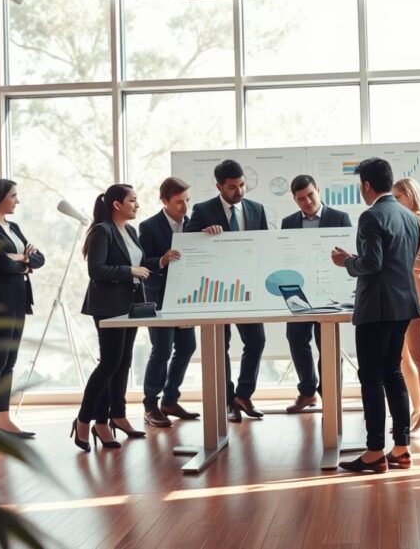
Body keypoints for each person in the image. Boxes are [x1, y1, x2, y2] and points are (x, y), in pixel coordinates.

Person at [332, 158, 420, 474]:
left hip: (376, 308)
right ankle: (401, 448)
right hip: (404, 306)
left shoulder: (370, 217)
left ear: (366, 185)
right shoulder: (410, 217)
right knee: (393, 372)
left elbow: (372, 263)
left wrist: (347, 262)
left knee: (370, 376)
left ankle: (373, 451)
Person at [72, 184, 159, 451]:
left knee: (123, 363)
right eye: (132, 201)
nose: (137, 205)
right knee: (109, 364)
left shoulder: (130, 230)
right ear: (117, 205)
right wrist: (130, 271)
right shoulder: (102, 230)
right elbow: (96, 270)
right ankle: (84, 420)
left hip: (129, 304)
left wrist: (161, 262)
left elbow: (140, 266)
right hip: (108, 305)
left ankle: (113, 417)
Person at [187, 159, 270, 423]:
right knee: (220, 345)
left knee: (257, 340)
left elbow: (264, 246)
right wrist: (203, 233)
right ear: (219, 186)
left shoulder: (257, 210)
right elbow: (188, 243)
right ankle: (227, 400)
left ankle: (243, 396)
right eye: (233, 187)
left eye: (242, 185)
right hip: (216, 289)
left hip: (248, 287)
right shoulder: (203, 210)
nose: (239, 191)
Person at [0, 179, 45, 438]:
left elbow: (40, 259)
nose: (17, 200)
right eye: (13, 196)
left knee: (10, 362)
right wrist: (24, 260)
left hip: (19, 297)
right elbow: (0, 264)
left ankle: (4, 418)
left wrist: (22, 258)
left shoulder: (13, 227)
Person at [281, 175, 352, 413]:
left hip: (330, 290)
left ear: (318, 190)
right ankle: (308, 391)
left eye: (310, 195)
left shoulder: (339, 218)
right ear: (294, 200)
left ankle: (331, 395)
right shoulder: (288, 222)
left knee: (328, 343)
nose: (307, 201)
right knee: (296, 338)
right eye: (301, 198)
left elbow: (347, 255)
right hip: (299, 291)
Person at [139, 177, 200, 428]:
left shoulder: (193, 223)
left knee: (187, 347)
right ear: (164, 201)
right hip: (160, 297)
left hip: (186, 296)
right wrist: (162, 260)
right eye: (178, 203)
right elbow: (143, 263)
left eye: (187, 201)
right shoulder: (148, 226)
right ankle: (150, 405)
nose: (185, 208)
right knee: (162, 349)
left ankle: (170, 399)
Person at [391, 178, 420, 438]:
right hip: (402, 294)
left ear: (410, 195)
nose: (394, 202)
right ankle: (417, 412)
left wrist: (390, 261)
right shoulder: (405, 222)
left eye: (398, 197)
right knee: (403, 358)